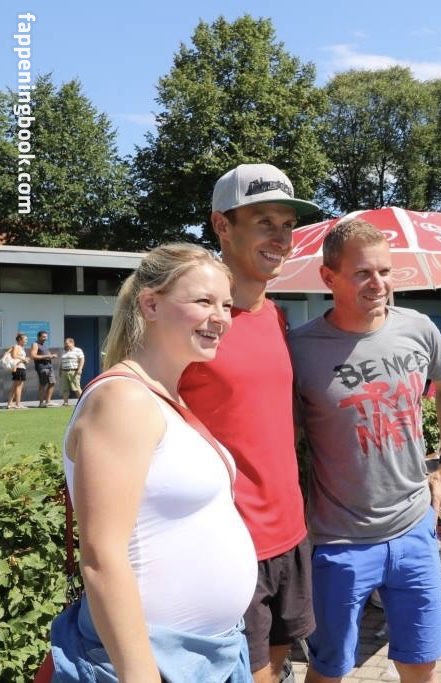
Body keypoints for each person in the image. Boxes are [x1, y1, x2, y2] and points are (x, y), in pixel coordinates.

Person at [51, 244, 257, 682]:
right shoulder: (122, 399)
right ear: (151, 305)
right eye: (203, 301)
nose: (220, 317)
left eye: (226, 305)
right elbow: (102, 558)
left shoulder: (163, 396)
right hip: (151, 661)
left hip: (210, 653)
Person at [288, 220, 441, 683]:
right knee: (328, 668)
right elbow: (283, 438)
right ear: (328, 278)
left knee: (420, 662)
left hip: (414, 528)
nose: (379, 284)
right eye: (363, 273)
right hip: (339, 542)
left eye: (385, 271)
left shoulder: (418, 328)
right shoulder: (300, 349)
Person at [179, 163, 320, 683]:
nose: (281, 238)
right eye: (264, 222)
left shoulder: (278, 316)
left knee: (277, 670)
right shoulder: (192, 323)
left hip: (290, 534)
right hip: (229, 546)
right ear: (222, 225)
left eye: (287, 225)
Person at [30, 330, 58, 407]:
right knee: (43, 384)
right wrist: (48, 356)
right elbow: (33, 356)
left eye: (46, 337)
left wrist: (52, 356)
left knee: (52, 383)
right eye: (43, 337)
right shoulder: (35, 344)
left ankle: (48, 401)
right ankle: (41, 403)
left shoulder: (44, 345)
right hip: (42, 367)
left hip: (49, 366)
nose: (45, 338)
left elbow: (46, 355)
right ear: (39, 337)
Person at [59, 337, 85, 405]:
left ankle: (82, 402)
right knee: (65, 388)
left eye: (67, 343)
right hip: (64, 371)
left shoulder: (78, 350)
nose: (66, 345)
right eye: (65, 343)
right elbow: (61, 362)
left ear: (72, 343)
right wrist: (60, 370)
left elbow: (82, 360)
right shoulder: (64, 351)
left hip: (74, 371)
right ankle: (65, 402)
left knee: (76, 387)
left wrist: (80, 369)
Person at [6, 333, 29, 409]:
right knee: (19, 387)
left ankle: (10, 404)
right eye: (25, 339)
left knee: (15, 386)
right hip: (19, 368)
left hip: (20, 367)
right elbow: (14, 355)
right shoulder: (17, 346)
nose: (26, 341)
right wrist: (24, 359)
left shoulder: (20, 347)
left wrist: (24, 360)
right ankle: (18, 404)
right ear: (20, 340)